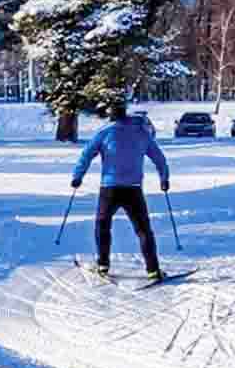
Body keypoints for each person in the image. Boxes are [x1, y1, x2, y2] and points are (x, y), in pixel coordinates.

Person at [71, 100, 170, 280]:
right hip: (133, 189)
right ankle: (153, 270)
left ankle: (102, 265)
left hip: (109, 189)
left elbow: (86, 154)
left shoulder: (104, 133)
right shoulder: (142, 132)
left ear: (111, 115)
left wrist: (78, 177)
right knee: (143, 230)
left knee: (102, 225)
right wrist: (164, 178)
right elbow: (159, 158)